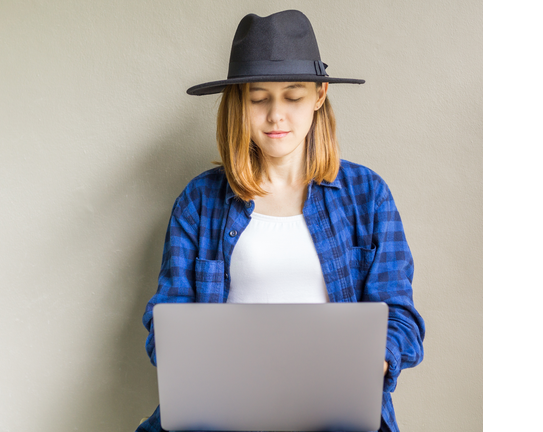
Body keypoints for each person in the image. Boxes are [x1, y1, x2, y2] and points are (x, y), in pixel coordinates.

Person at [136, 9, 425, 432]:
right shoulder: (199, 201)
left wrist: (372, 360)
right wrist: (196, 367)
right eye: (259, 98)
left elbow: (401, 319)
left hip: (335, 411)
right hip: (221, 408)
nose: (276, 116)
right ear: (239, 101)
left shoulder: (368, 195)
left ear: (320, 96)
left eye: (293, 97)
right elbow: (166, 320)